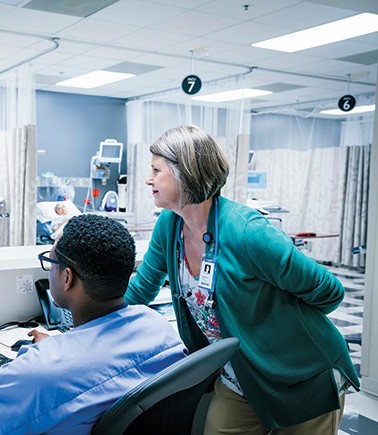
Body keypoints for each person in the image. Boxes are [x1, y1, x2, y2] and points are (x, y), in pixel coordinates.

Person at [125, 124, 360, 434]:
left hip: (300, 375)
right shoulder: (170, 226)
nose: (148, 179)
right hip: (239, 376)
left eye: (156, 170)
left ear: (186, 173)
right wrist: (88, 325)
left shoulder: (249, 233)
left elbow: (330, 292)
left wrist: (278, 327)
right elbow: (140, 290)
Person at [0, 214, 187, 434]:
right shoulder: (159, 328)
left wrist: (40, 359)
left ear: (67, 277)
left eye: (50, 262)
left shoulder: (41, 372)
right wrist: (55, 350)